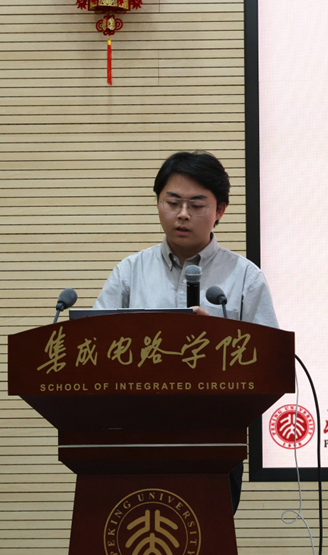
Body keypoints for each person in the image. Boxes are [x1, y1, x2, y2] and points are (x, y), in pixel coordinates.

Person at [93, 151, 279, 513]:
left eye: (196, 205)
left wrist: (220, 344)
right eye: (173, 202)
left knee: (208, 542)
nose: (182, 214)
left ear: (219, 210)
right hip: (134, 438)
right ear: (158, 203)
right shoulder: (130, 273)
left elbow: (270, 364)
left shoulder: (245, 277)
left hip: (216, 441)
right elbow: (93, 350)